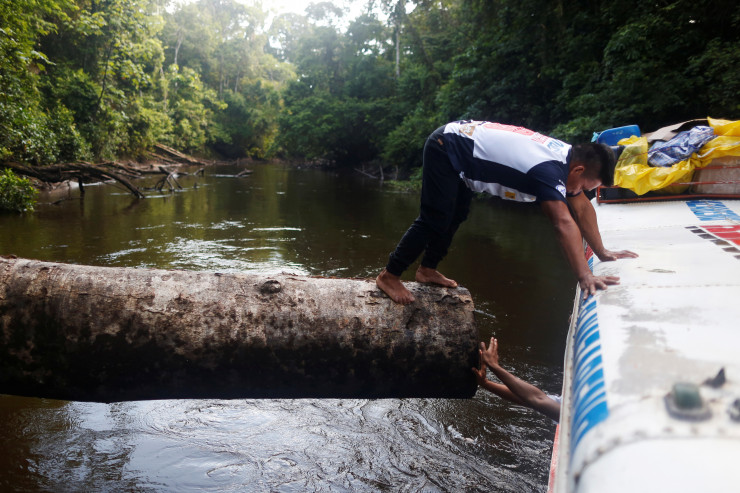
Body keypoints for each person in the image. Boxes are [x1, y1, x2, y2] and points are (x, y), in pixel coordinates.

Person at [376, 120, 638, 304]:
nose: (581, 192)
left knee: (455, 215)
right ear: (579, 170)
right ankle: (390, 275)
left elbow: (581, 208)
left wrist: (602, 251)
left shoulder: (567, 160)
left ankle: (426, 270)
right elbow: (563, 223)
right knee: (435, 217)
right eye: (584, 187)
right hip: (447, 146)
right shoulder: (548, 171)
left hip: (462, 149)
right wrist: (585, 276)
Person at [472, 337, 561, 422]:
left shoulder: (567, 413)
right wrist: (485, 383)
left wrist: (494, 367)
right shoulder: (563, 405)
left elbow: (537, 399)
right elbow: (530, 399)